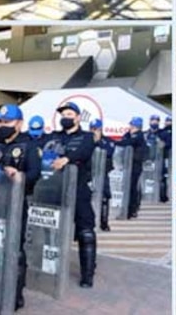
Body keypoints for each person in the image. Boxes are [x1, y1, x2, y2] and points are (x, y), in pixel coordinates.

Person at [0, 104, 40, 309]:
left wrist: (18, 175)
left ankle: (15, 294)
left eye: (8, 122)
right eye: (1, 122)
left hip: (14, 204)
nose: (3, 126)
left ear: (19, 124)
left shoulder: (28, 146)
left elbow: (35, 173)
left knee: (14, 249)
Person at [42, 102, 98, 288]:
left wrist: (67, 159)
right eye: (63, 114)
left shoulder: (87, 137)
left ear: (78, 117)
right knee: (49, 230)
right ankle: (49, 269)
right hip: (54, 188)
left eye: (69, 114)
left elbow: (84, 151)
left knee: (86, 232)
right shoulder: (53, 136)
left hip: (79, 189)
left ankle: (87, 274)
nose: (66, 117)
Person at [121, 116, 148, 219]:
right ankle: (129, 208)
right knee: (130, 187)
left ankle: (132, 209)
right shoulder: (130, 135)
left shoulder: (139, 136)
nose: (130, 127)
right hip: (128, 165)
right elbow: (124, 139)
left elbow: (127, 142)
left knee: (133, 187)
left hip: (135, 165)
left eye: (132, 125)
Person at [91, 119, 115, 231]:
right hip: (89, 173)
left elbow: (109, 152)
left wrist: (98, 142)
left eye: (97, 129)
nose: (94, 131)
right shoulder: (86, 140)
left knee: (105, 197)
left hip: (103, 173)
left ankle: (104, 222)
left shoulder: (107, 141)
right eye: (92, 129)